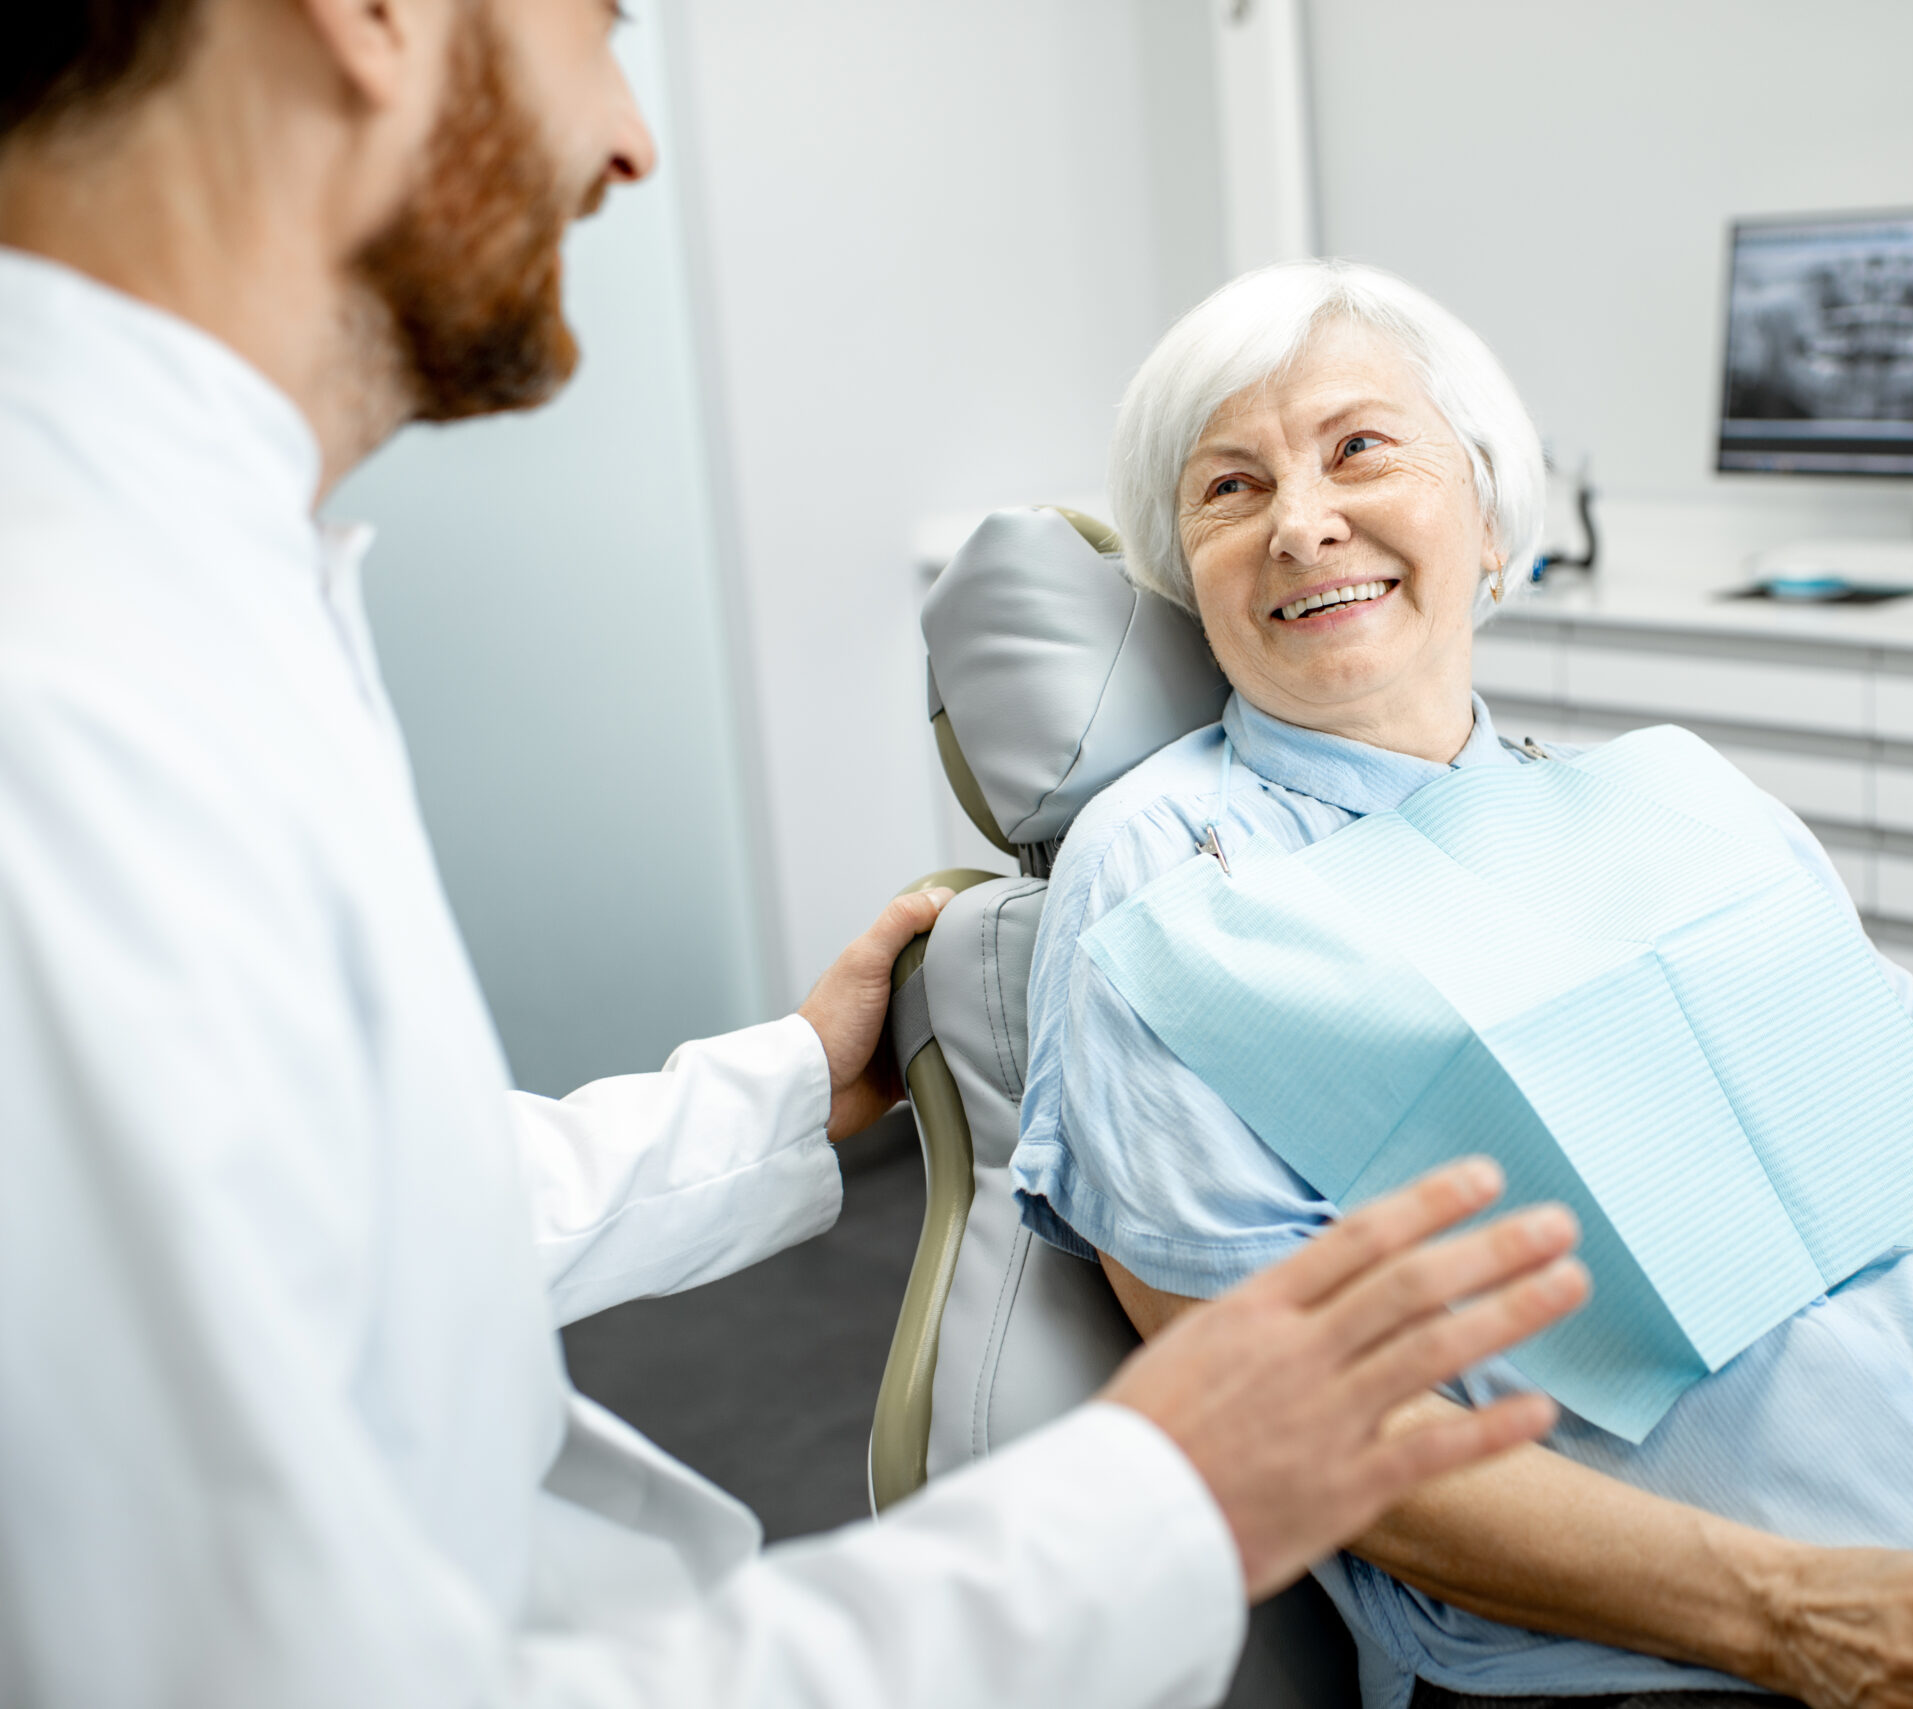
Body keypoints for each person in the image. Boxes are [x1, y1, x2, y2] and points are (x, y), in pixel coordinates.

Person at [0, 7, 1598, 1707]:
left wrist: (774, 1087)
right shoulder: (73, 697)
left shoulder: (188, 580)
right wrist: (1155, 1494)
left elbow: (326, 1221)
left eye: (1366, 449)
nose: (631, 137)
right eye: (599, 28)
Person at [1013, 259, 1913, 1709]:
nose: (1305, 520)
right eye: (1230, 487)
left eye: (1361, 447)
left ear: (1495, 515)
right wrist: (1792, 1616)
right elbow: (1288, 1420)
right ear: (1184, 574)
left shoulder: (1673, 799)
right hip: (1715, 1645)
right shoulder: (1173, 876)